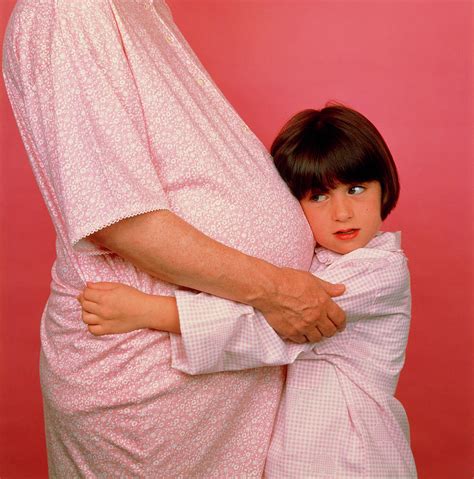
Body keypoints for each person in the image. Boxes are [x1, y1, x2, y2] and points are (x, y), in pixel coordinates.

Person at [3, 0, 346, 476]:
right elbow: (118, 217)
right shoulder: (67, 11)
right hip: (149, 387)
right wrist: (277, 291)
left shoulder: (139, 6)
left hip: (217, 374)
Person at [80, 105, 417, 478]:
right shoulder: (316, 258)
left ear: (384, 187)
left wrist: (151, 311)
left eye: (356, 189)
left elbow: (273, 324)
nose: (342, 213)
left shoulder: (381, 272)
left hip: (353, 452)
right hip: (304, 446)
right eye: (318, 197)